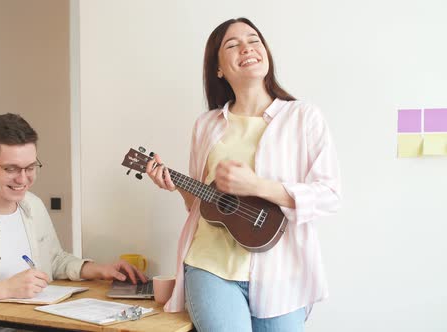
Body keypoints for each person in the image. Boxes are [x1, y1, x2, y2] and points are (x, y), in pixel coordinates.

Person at [146, 18, 341, 332]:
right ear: (219, 68)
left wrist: (257, 186)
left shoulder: (303, 117)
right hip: (210, 267)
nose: (247, 48)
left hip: (281, 273)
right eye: (232, 44)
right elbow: (202, 204)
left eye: (254, 40)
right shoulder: (206, 125)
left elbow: (329, 195)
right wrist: (175, 186)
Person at [0, 113, 146, 332]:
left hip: (37, 322)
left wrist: (98, 270)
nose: (23, 179)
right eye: (11, 168)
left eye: (31, 167)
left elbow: (53, 259)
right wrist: (5, 289)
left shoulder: (32, 205)